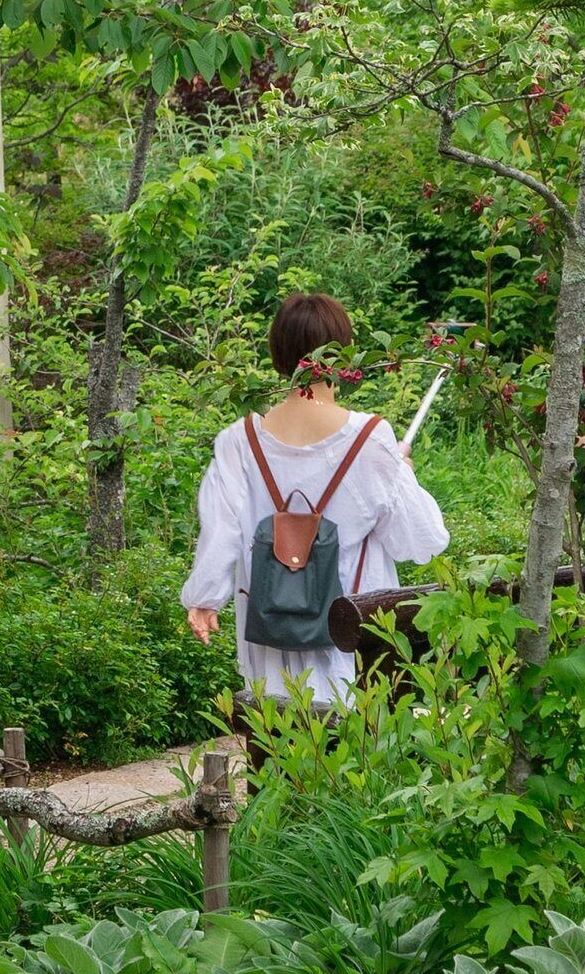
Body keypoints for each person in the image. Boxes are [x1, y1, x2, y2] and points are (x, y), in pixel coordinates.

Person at [182, 293, 452, 711]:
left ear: (278, 353)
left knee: (276, 753)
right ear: (343, 355)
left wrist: (204, 599)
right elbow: (421, 541)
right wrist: (402, 470)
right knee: (355, 763)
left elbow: (221, 534)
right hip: (355, 645)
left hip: (270, 643)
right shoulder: (370, 439)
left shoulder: (239, 441)